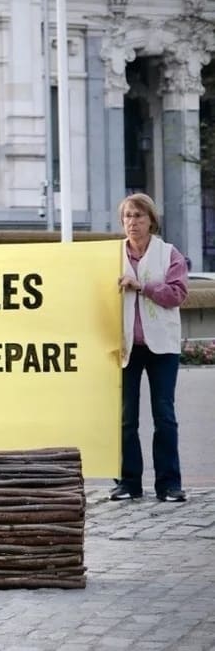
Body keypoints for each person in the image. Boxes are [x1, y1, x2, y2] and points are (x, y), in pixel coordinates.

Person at [112, 193, 188, 503]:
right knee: (126, 418)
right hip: (126, 345)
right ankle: (129, 482)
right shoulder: (112, 254)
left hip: (162, 346)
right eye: (128, 216)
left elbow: (178, 294)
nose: (132, 222)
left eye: (139, 216)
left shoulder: (168, 253)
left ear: (151, 221)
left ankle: (169, 484)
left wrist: (143, 287)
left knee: (164, 415)